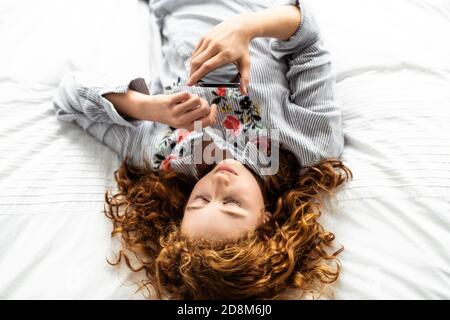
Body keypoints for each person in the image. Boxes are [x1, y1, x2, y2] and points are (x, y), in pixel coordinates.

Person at [53, 0, 351, 299]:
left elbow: (68, 96)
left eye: (199, 201)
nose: (218, 182)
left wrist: (147, 108)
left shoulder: (163, 154)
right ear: (267, 222)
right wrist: (246, 27)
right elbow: (307, 36)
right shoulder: (309, 147)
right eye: (233, 204)